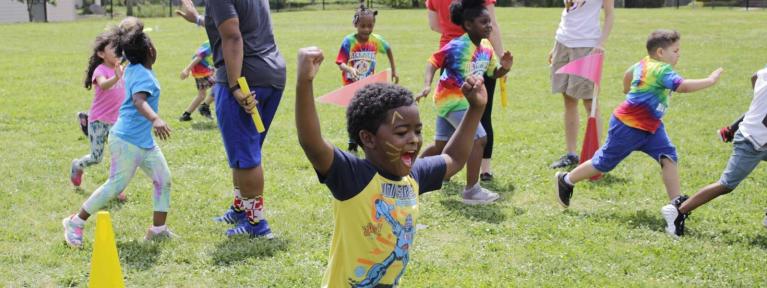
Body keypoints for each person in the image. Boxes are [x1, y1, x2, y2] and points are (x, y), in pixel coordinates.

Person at [295, 46, 487, 287]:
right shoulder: (354, 178)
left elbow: (454, 159)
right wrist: (304, 82)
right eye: (401, 132)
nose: (414, 140)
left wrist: (475, 109)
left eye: (417, 131)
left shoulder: (414, 176)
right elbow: (312, 143)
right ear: (368, 138)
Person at [555, 30, 724, 210]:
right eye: (675, 51)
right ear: (660, 52)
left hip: (651, 127)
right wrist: (710, 80)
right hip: (628, 126)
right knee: (603, 163)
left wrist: (626, 88)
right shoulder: (661, 69)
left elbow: (628, 74)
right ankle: (566, 180)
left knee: (668, 156)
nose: (678, 54)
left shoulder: (643, 63)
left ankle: (676, 204)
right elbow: (682, 87)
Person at [63, 19, 174, 248]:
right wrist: (155, 118)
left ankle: (158, 230)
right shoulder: (141, 74)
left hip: (142, 142)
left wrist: (128, 30)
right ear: (151, 51)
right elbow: (138, 100)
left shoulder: (133, 68)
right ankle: (75, 222)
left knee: (163, 179)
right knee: (114, 186)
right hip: (127, 141)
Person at [194, 0, 287, 238]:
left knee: (246, 157)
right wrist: (196, 19)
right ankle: (240, 208)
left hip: (245, 78)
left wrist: (235, 85)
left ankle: (256, 224)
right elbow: (234, 24)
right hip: (271, 74)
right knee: (243, 151)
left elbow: (233, 36)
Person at [417, 0, 513, 205]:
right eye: (483, 22)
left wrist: (504, 68)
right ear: (469, 25)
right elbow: (433, 61)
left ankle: (412, 174)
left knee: (441, 145)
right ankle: (471, 190)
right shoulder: (458, 45)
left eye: (490, 22)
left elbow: (492, 73)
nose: (489, 26)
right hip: (452, 100)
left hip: (460, 100)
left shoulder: (486, 47)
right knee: (479, 139)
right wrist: (426, 85)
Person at [662, 66, 765, 237]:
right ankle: (678, 211)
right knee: (726, 184)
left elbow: (755, 76)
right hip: (752, 142)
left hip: (755, 134)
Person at [548, 0, 615, 169]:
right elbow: (569, 12)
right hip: (562, 42)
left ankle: (595, 157)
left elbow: (609, 15)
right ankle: (571, 154)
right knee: (569, 100)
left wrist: (601, 43)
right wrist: (554, 46)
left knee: (590, 103)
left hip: (587, 45)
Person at [69, 30, 126, 204]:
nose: (117, 50)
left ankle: (116, 189)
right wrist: (116, 77)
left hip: (116, 122)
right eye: (112, 48)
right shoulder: (100, 70)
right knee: (97, 157)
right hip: (98, 121)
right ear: (101, 54)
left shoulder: (121, 68)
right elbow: (104, 85)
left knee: (120, 156)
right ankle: (78, 166)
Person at [336, 0, 398, 152]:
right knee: (353, 113)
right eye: (363, 26)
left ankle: (367, 141)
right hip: (351, 85)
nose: (366, 29)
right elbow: (340, 62)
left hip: (369, 85)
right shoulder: (349, 41)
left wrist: (394, 70)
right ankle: (352, 142)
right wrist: (349, 69)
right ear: (355, 24)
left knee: (368, 113)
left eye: (370, 26)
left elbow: (389, 49)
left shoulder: (375, 40)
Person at [179, 41, 215, 121]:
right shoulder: (211, 43)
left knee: (201, 95)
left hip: (206, 70)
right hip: (201, 71)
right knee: (219, 86)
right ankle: (204, 107)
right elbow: (198, 57)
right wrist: (187, 69)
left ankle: (186, 115)